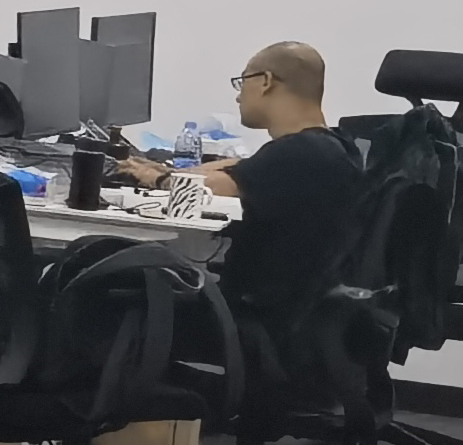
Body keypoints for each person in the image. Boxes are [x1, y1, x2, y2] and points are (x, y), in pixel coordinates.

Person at [147, 41, 359, 316]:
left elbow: (210, 188)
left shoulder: (298, 152)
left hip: (254, 314)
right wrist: (166, 170)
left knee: (118, 290)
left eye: (242, 82)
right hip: (293, 309)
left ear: (266, 81)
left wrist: (155, 178)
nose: (239, 97)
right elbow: (240, 166)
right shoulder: (335, 145)